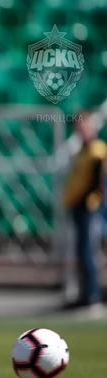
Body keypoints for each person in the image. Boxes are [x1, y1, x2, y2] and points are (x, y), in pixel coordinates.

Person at [62, 110, 107, 319]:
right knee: (81, 252)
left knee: (89, 252)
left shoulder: (97, 151)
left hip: (89, 207)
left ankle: (93, 298)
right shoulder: (81, 151)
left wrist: (88, 199)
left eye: (84, 125)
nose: (81, 129)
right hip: (78, 206)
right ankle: (84, 295)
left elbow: (98, 182)